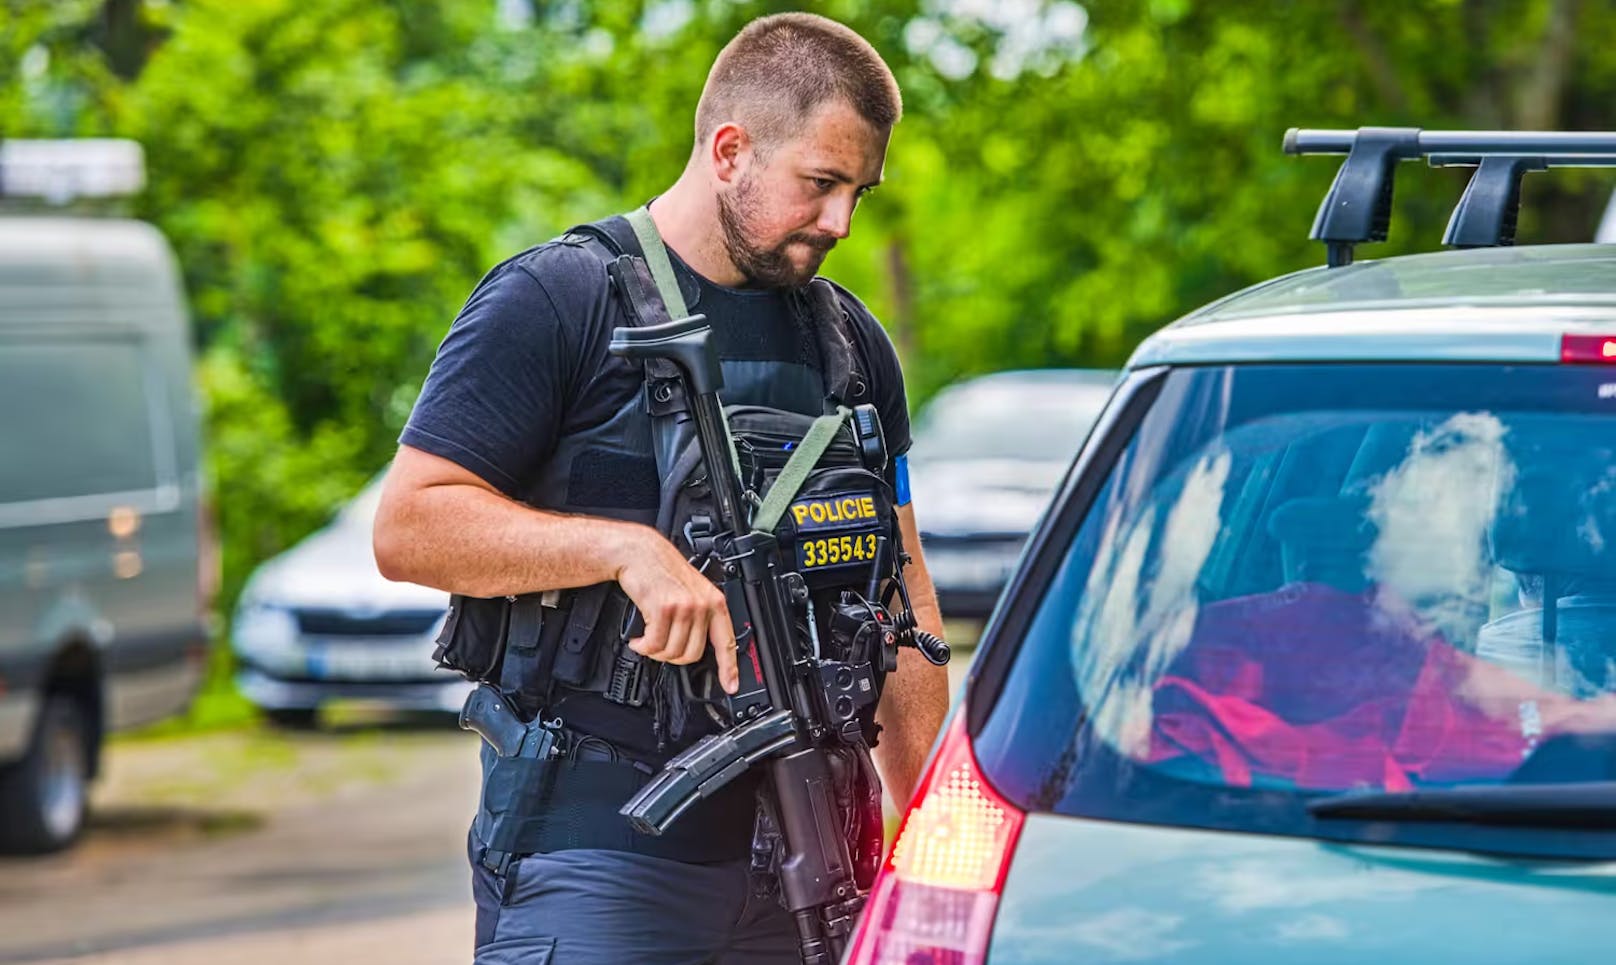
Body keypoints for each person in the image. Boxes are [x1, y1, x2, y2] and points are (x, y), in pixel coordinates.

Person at [372, 13, 950, 965]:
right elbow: (409, 525)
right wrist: (622, 548)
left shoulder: (850, 344)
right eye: (821, 183)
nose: (841, 221)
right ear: (730, 150)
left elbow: (901, 595)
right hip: (600, 856)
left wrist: (928, 838)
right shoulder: (556, 299)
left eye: (859, 191)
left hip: (816, 863)